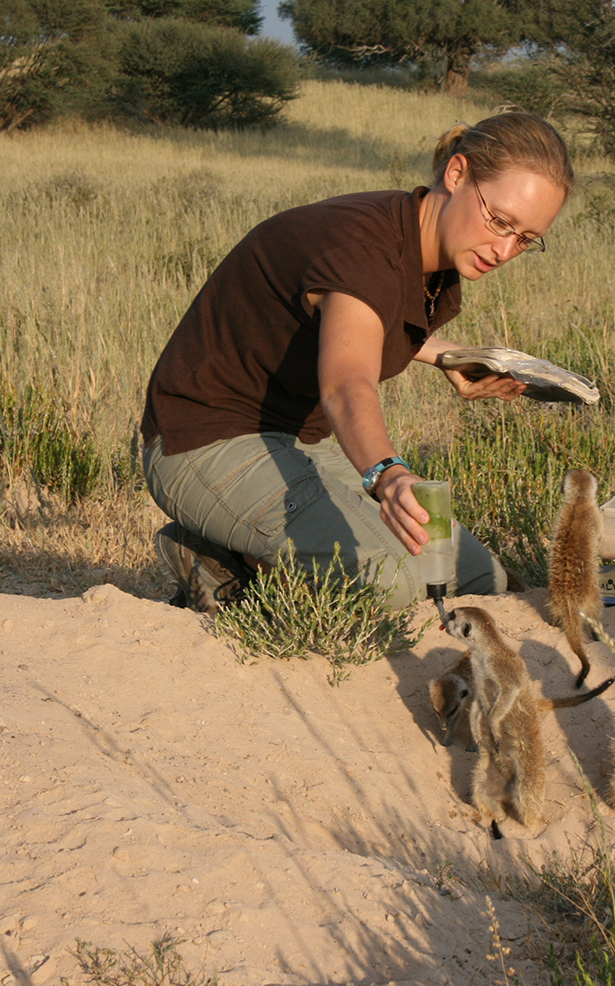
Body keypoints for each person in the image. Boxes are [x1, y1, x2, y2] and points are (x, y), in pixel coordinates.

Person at [141, 110, 574, 613]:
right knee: (391, 583)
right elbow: (347, 382)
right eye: (500, 221)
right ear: (457, 175)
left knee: (480, 581)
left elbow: (357, 326)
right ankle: (223, 565)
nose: (504, 250)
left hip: (297, 440)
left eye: (525, 239)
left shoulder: (437, 257)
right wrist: (387, 474)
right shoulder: (363, 244)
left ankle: (246, 552)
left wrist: (445, 356)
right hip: (203, 441)